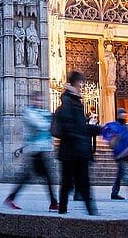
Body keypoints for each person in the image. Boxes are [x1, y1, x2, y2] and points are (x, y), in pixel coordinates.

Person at [53, 71, 103, 215]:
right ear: (75, 83)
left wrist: (98, 129)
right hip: (72, 151)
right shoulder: (69, 102)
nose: (82, 85)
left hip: (75, 150)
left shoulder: (74, 101)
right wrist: (81, 137)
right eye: (81, 82)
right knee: (74, 183)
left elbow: (80, 126)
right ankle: (86, 212)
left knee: (75, 183)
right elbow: (71, 127)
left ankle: (82, 211)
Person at [5, 92, 58, 211]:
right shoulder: (29, 112)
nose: (39, 102)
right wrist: (48, 122)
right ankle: (53, 202)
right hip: (34, 150)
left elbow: (49, 125)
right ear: (33, 100)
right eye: (37, 100)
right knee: (47, 176)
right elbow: (40, 125)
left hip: (41, 149)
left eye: (41, 100)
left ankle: (11, 198)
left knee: (29, 176)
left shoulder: (41, 112)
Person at [100, 108, 128, 200]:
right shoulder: (115, 126)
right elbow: (108, 135)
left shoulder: (126, 128)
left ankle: (114, 193)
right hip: (119, 154)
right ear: (118, 115)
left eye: (125, 114)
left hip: (125, 153)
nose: (124, 115)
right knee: (125, 173)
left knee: (120, 175)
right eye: (122, 114)